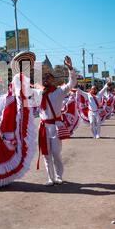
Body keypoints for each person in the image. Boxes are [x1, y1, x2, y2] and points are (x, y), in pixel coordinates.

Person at [33, 56, 76, 186]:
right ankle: (50, 179)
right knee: (46, 154)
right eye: (44, 78)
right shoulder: (39, 93)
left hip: (55, 127)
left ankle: (58, 176)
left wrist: (70, 68)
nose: (46, 80)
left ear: (53, 80)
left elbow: (72, 83)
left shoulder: (59, 91)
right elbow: (25, 89)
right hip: (43, 127)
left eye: (48, 78)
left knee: (56, 153)